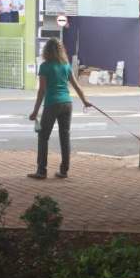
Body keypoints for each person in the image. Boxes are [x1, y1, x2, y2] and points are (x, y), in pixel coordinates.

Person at [28, 38, 92, 179]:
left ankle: (41, 171)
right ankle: (64, 171)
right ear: (61, 50)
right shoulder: (66, 65)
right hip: (67, 104)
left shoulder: (45, 67)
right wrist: (85, 101)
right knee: (65, 137)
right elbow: (76, 86)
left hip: (52, 104)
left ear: (46, 51)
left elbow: (42, 91)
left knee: (43, 137)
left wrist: (35, 111)